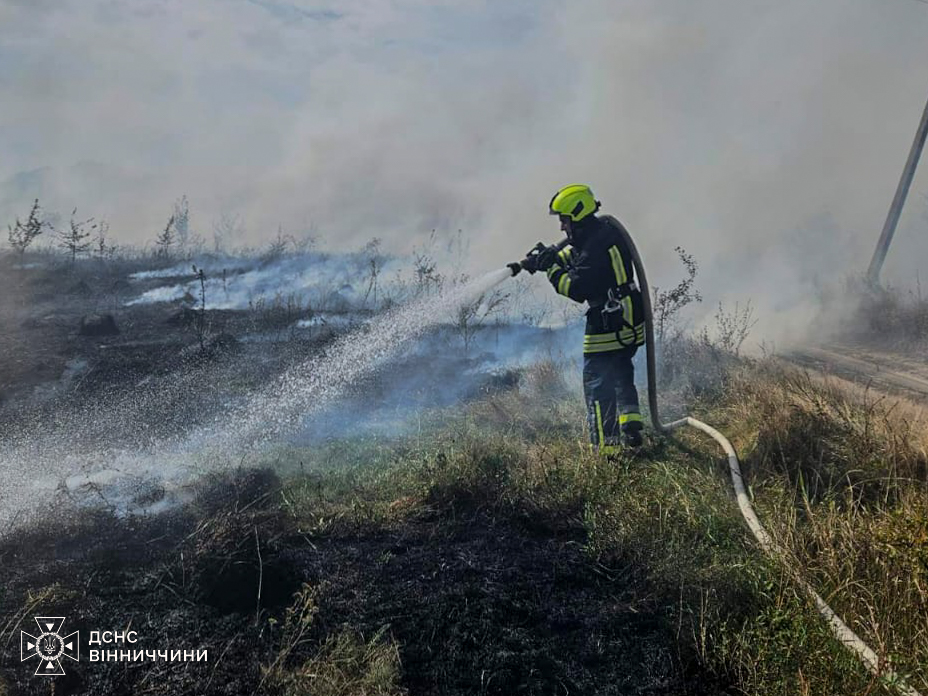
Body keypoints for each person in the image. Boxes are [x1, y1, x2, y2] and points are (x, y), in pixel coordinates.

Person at [518, 184, 646, 453]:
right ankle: (631, 430)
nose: (562, 227)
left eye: (564, 220)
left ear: (577, 214)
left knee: (598, 385)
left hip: (608, 320)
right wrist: (547, 257)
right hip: (627, 318)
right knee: (621, 374)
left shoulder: (596, 245)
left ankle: (607, 453)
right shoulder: (602, 232)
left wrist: (551, 268)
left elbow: (575, 288)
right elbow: (576, 253)